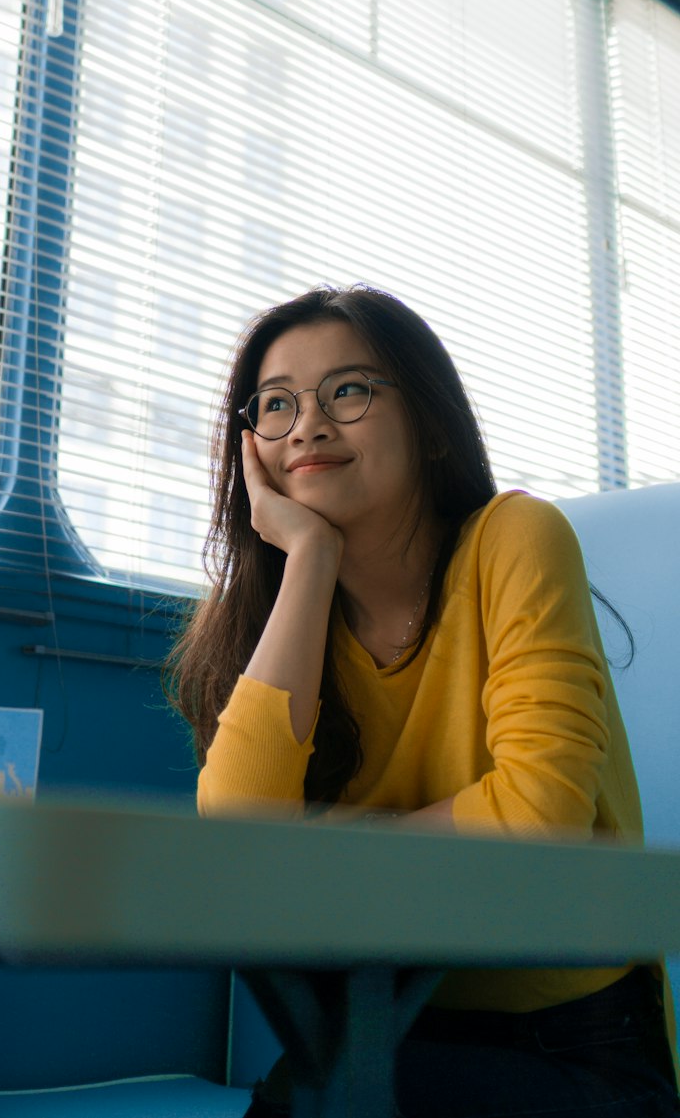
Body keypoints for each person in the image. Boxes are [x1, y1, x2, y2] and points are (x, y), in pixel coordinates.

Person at [165, 284, 680, 1117]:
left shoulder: (514, 536)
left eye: (350, 389)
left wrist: (329, 848)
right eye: (276, 404)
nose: (308, 424)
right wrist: (307, 559)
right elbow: (241, 837)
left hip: (582, 1050)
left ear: (431, 424)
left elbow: (538, 814)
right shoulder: (289, 618)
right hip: (388, 1033)